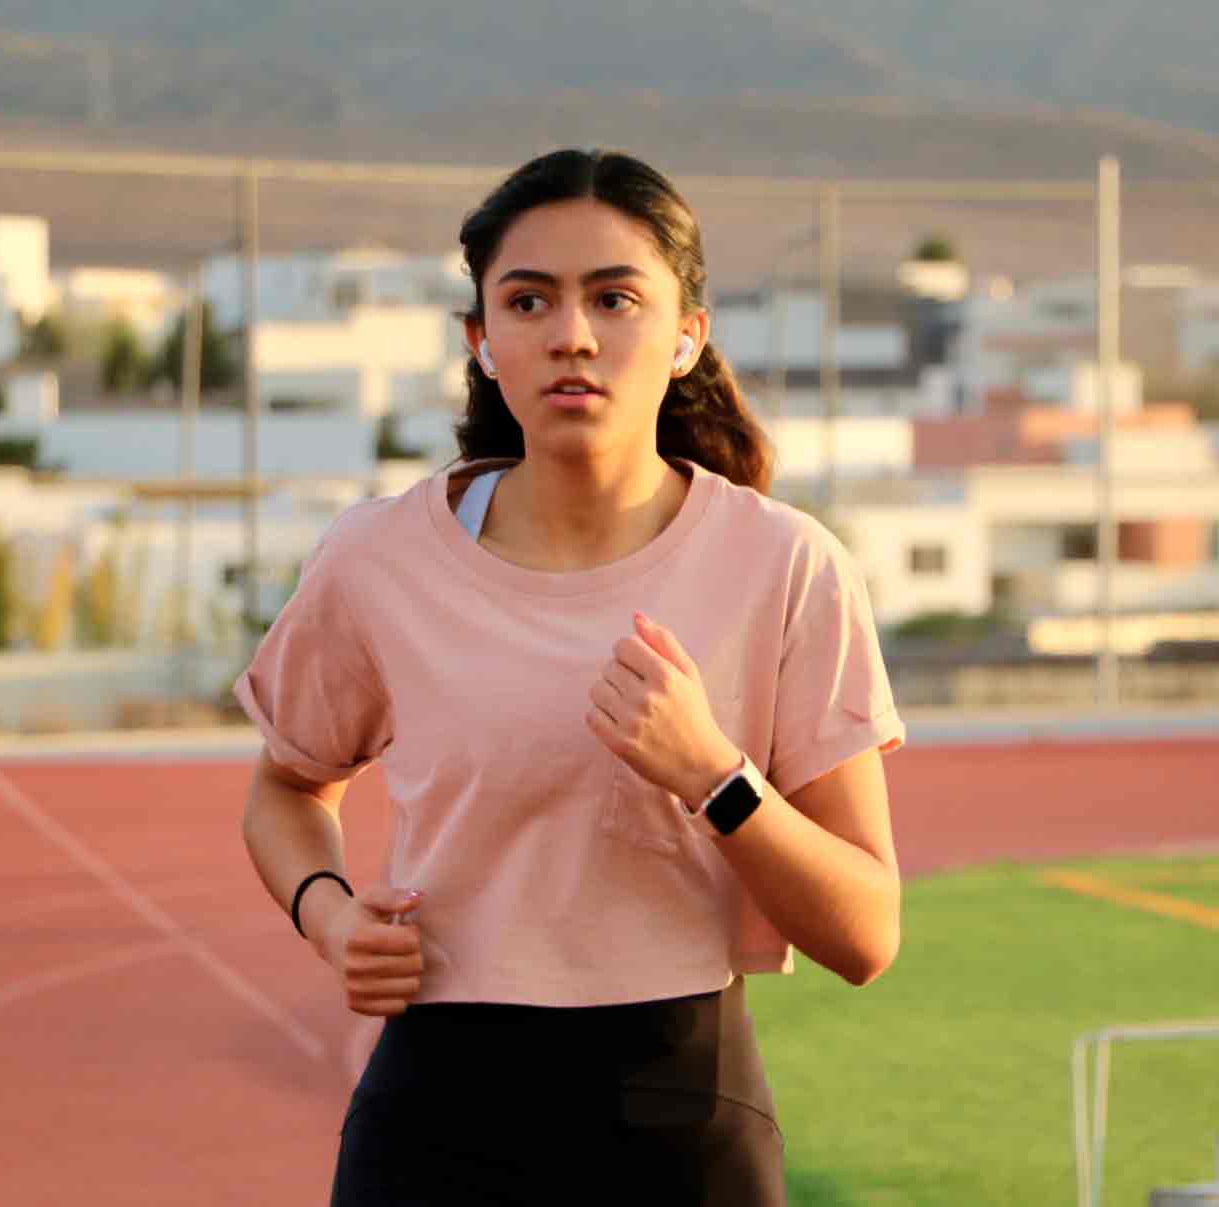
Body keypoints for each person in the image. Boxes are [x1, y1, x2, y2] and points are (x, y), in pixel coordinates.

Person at [236, 147, 905, 1206]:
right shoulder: (376, 559)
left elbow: (866, 933)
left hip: (681, 1119)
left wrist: (715, 777)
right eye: (529, 300)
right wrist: (328, 915)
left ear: (687, 334)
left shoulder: (787, 566)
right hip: (434, 1120)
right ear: (481, 342)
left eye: (614, 297)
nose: (572, 334)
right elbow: (286, 789)